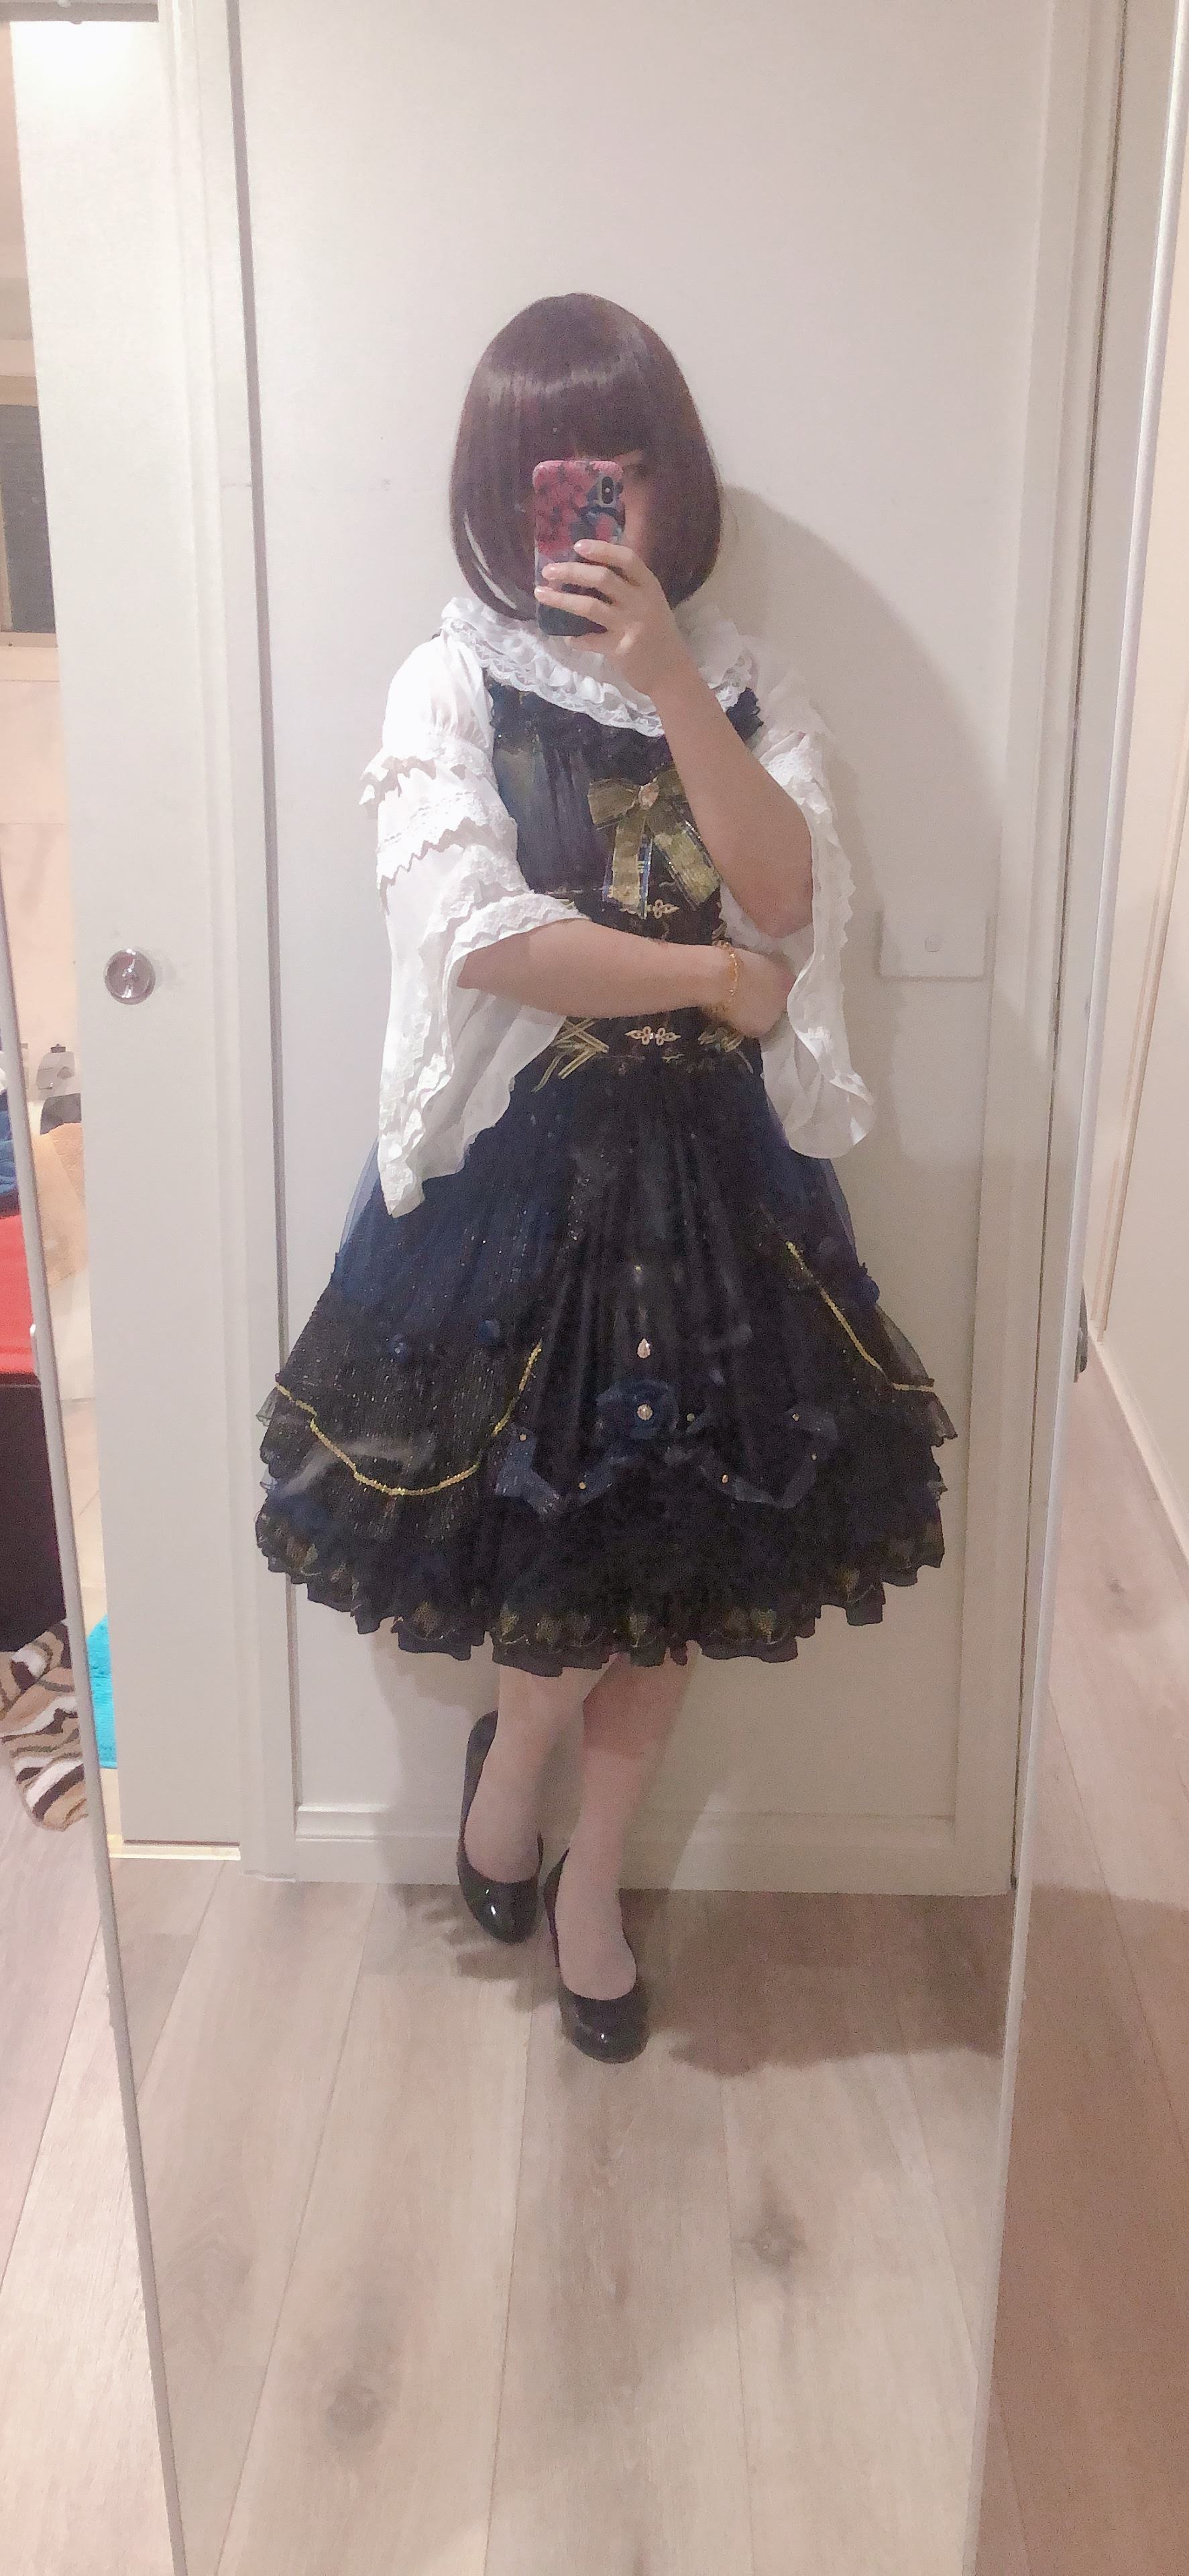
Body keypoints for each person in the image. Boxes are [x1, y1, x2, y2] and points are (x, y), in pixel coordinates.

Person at [256, 293, 956, 2062]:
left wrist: (668, 683)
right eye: (555, 476)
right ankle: (508, 1788)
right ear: (504, 491)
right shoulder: (448, 679)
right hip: (527, 1187)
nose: (591, 508)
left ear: (668, 482)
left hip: (722, 1197)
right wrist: (712, 978)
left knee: (682, 1561)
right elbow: (484, 936)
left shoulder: (742, 679)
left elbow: (788, 892)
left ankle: (593, 1882)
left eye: (619, 473)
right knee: (560, 1562)